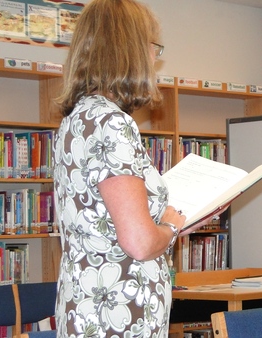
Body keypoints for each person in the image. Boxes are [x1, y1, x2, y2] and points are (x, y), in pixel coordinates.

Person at [52, 0, 221, 336]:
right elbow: (140, 243)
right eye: (152, 46)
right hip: (119, 314)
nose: (155, 57)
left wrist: (172, 223)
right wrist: (170, 229)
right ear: (127, 49)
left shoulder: (78, 119)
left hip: (89, 305)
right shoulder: (112, 123)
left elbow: (110, 227)